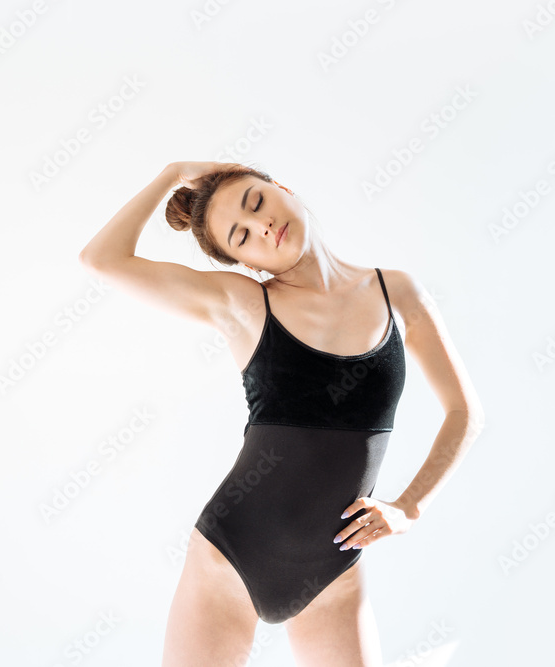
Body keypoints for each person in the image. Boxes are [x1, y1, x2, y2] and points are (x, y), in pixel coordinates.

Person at [78, 161, 485, 666]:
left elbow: (463, 411)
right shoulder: (243, 304)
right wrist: (172, 173)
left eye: (257, 202)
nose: (262, 226)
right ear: (244, 262)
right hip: (228, 559)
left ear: (283, 188)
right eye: (242, 237)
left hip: (333, 575)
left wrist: (409, 507)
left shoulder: (396, 293)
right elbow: (101, 259)